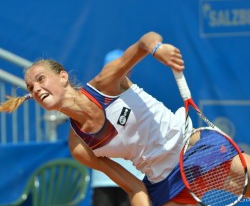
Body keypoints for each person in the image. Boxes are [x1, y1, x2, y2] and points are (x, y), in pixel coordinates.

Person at [1, 31, 250, 206]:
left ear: (63, 76)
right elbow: (133, 187)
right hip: (164, 182)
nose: (36, 88)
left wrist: (156, 49)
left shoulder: (106, 84)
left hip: (193, 149)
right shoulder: (79, 146)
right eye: (31, 87)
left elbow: (145, 40)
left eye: (41, 79)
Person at [91, 49, 144, 206]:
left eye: (122, 67)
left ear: (130, 69)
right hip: (102, 179)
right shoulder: (93, 99)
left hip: (132, 178)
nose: (117, 72)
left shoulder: (140, 99)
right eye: (112, 67)